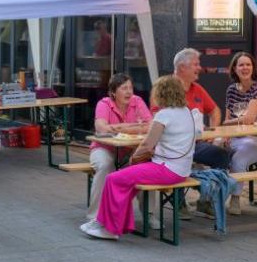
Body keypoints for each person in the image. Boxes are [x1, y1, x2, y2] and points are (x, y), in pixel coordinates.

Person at [85, 75, 201, 240]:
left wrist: (133, 160)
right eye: (124, 88)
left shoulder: (164, 115)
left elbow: (147, 145)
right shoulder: (187, 112)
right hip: (180, 169)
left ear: (161, 94)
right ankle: (108, 222)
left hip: (166, 169)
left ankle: (110, 229)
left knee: (114, 179)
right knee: (126, 179)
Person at [165, 48, 230, 219]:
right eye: (195, 64)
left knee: (221, 155)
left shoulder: (197, 88)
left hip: (197, 143)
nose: (199, 68)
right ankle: (178, 202)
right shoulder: (166, 88)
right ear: (182, 67)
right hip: (173, 146)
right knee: (180, 156)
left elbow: (215, 110)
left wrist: (213, 134)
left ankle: (206, 200)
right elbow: (157, 118)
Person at [81, 73, 151, 228]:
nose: (129, 92)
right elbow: (101, 129)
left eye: (131, 88)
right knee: (106, 165)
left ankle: (150, 214)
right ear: (113, 92)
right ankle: (95, 216)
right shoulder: (104, 104)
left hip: (130, 150)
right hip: (104, 148)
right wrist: (135, 127)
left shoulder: (137, 101)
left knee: (144, 167)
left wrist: (119, 127)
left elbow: (150, 125)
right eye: (124, 88)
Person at [223, 52, 257, 215]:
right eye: (241, 65)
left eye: (248, 64)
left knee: (238, 159)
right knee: (211, 150)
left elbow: (249, 119)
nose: (245, 68)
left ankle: (233, 199)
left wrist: (227, 124)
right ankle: (207, 198)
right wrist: (225, 135)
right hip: (236, 138)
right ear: (234, 69)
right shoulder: (231, 90)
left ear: (253, 67)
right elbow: (227, 117)